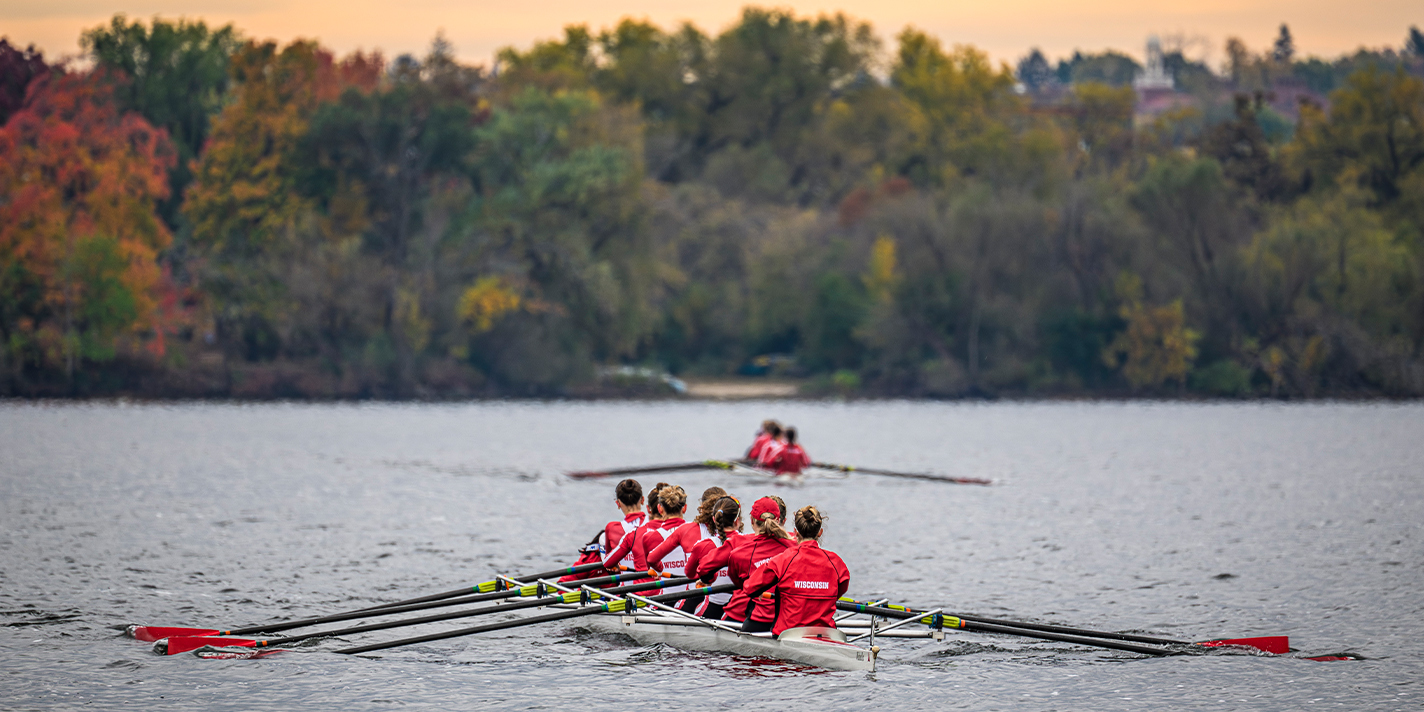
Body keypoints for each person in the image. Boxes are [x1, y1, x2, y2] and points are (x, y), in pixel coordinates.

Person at [741, 505, 849, 636]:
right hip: (825, 635)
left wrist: (758, 591)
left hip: (788, 635)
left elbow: (749, 587)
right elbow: (840, 589)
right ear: (819, 532)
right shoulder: (836, 562)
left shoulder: (783, 560)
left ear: (795, 532)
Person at [702, 496, 796, 632]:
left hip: (750, 615)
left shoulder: (739, 546)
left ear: (752, 521)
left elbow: (704, 569)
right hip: (790, 619)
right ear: (779, 520)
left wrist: (708, 579)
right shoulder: (797, 544)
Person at [648, 487, 726, 611]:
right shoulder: (740, 536)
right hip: (732, 603)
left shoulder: (686, 530)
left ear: (702, 506)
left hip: (695, 600)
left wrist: (659, 570)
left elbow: (652, 559)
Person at [685, 496, 743, 619]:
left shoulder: (703, 545)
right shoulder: (750, 542)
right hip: (740, 608)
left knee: (681, 605)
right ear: (737, 521)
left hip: (711, 609)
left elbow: (689, 574)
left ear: (714, 519)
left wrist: (706, 579)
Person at [602, 482, 666, 574]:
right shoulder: (655, 524)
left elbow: (608, 563)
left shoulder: (612, 528)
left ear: (618, 504)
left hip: (628, 585)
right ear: (643, 500)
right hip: (658, 580)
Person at [638, 485, 690, 596]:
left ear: (660, 509)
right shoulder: (696, 530)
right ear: (684, 508)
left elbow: (652, 570)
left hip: (665, 599)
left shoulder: (649, 537)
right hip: (693, 596)